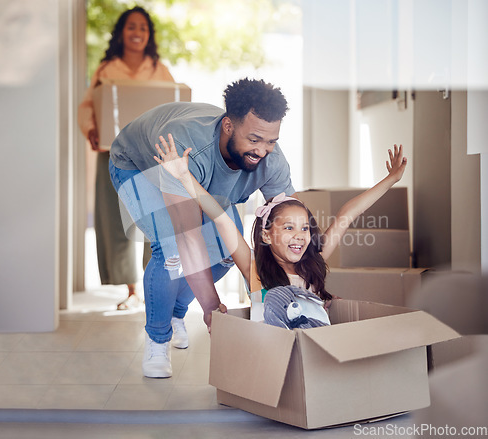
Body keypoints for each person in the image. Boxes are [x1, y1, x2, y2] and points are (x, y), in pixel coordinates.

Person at [109, 78, 293, 378]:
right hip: (143, 164)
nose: (262, 151)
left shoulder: (272, 161)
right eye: (255, 139)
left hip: (200, 181)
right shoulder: (182, 146)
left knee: (224, 253)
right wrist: (211, 308)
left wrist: (272, 292)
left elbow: (288, 228)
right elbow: (188, 237)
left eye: (271, 141)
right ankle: (157, 339)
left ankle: (177, 313)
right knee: (170, 250)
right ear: (228, 127)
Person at [154, 135, 407, 323]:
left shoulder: (313, 263)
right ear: (266, 234)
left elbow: (347, 214)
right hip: (273, 359)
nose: (300, 235)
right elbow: (221, 218)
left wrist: (391, 180)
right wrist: (185, 177)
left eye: (305, 228)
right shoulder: (255, 270)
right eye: (289, 227)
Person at [78, 6, 174, 310]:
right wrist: (92, 129)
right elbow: (86, 106)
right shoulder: (107, 69)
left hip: (148, 157)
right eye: (131, 27)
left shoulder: (159, 69)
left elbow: (172, 105)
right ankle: (131, 291)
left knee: (153, 220)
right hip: (113, 153)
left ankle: (151, 286)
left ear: (149, 35)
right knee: (115, 220)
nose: (137, 33)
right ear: (122, 32)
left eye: (143, 28)